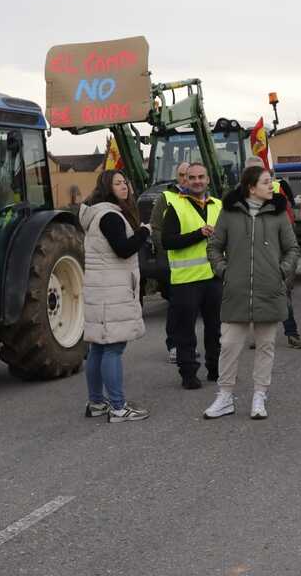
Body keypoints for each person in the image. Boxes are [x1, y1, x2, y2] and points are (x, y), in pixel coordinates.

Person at [204, 165, 300, 420]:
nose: (272, 186)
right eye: (266, 182)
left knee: (266, 346)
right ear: (251, 187)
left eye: (271, 181)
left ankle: (260, 396)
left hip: (269, 290)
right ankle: (224, 397)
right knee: (229, 345)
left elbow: (292, 248)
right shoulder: (229, 212)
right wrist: (224, 271)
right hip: (236, 291)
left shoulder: (278, 213)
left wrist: (281, 271)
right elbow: (214, 246)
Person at [79, 169, 151, 422]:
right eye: (118, 183)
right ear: (107, 188)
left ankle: (97, 403)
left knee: (98, 347)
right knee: (113, 348)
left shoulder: (95, 214)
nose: (125, 187)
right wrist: (144, 232)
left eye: (125, 182)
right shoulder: (110, 216)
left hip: (100, 290)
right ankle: (118, 408)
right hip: (112, 291)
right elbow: (123, 250)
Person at [161, 162, 223, 390]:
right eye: (192, 177)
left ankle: (215, 369)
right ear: (185, 180)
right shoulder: (176, 206)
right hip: (186, 281)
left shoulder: (218, 205)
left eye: (201, 177)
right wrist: (199, 234)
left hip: (214, 277)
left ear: (207, 180)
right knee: (185, 331)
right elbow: (167, 242)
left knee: (215, 328)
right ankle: (188, 374)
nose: (197, 181)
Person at [244, 156, 301, 349]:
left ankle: (292, 333)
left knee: (282, 292)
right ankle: (260, 335)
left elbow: (289, 221)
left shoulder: (279, 189)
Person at [153, 162, 191, 364]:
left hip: (197, 264)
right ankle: (174, 345)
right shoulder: (166, 198)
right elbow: (156, 228)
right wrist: (168, 248)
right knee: (176, 305)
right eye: (182, 175)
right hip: (174, 261)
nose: (186, 179)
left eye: (189, 175)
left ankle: (188, 346)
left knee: (192, 307)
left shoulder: (201, 198)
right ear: (177, 177)